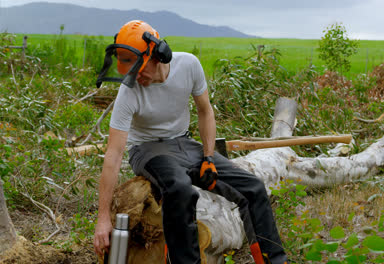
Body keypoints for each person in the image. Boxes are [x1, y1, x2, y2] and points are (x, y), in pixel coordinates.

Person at [93, 20, 289, 264]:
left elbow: (205, 111)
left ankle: (274, 261)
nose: (136, 77)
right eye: (130, 71)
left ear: (158, 54)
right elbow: (113, 154)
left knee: (253, 189)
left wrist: (208, 157)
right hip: (147, 150)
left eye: (140, 69)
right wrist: (103, 219)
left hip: (185, 144)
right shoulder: (129, 91)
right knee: (179, 189)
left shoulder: (188, 65)